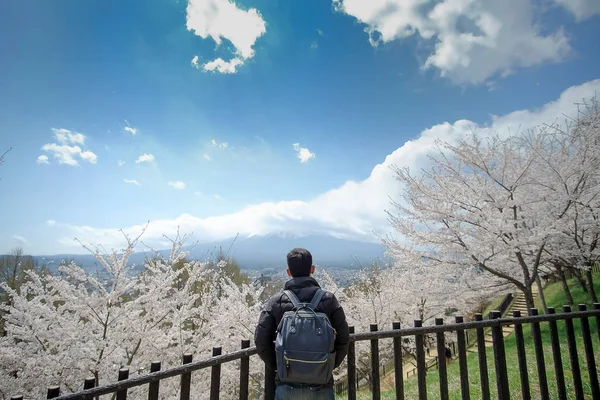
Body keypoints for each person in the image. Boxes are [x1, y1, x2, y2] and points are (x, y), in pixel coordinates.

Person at [254, 248, 350, 400]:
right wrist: (327, 365)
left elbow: (261, 341)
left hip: (287, 385)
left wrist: (280, 366)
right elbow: (344, 339)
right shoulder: (329, 300)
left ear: (288, 272)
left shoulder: (276, 301)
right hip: (322, 385)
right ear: (312, 269)